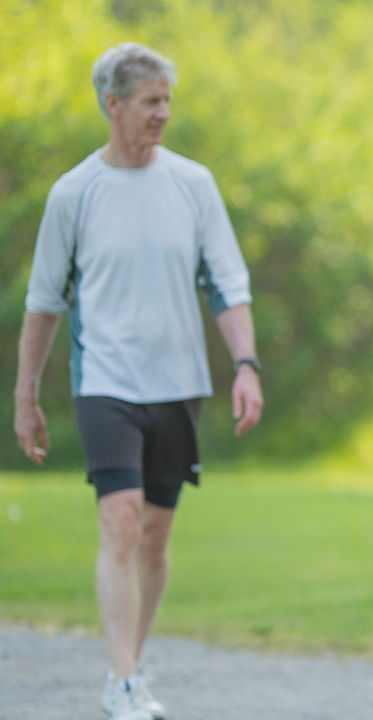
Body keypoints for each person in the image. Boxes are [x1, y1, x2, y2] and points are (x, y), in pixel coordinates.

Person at [12, 42, 263, 720]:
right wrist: (26, 395)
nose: (163, 114)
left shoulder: (194, 184)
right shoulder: (74, 193)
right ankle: (123, 681)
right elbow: (44, 303)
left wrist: (246, 365)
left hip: (178, 384)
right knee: (119, 521)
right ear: (112, 104)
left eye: (167, 101)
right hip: (105, 382)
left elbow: (228, 286)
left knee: (155, 532)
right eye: (151, 102)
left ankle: (133, 665)